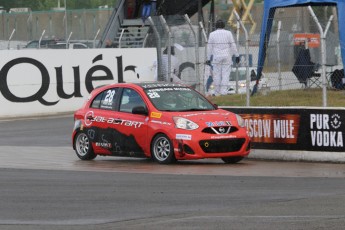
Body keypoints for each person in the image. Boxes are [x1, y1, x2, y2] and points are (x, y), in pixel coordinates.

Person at [207, 19, 240, 96]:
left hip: (216, 57)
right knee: (225, 74)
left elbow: (209, 47)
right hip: (227, 56)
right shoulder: (228, 33)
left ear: (216, 26)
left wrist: (208, 58)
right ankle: (223, 92)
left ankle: (217, 92)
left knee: (217, 75)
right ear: (224, 26)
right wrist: (237, 55)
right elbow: (233, 45)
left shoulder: (212, 34)